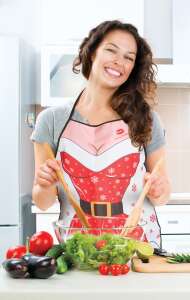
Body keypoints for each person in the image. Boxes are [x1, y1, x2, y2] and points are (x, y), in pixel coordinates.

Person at [31, 20, 171, 247]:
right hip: (79, 246)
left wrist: (160, 189)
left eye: (129, 57)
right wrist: (44, 184)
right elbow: (43, 201)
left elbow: (161, 195)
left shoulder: (147, 119)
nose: (119, 61)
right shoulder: (51, 120)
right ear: (92, 52)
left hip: (137, 245)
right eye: (111, 50)